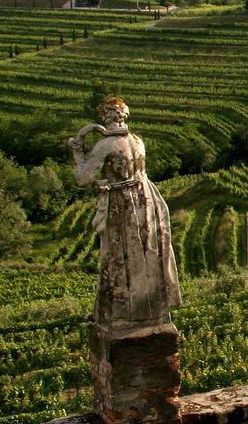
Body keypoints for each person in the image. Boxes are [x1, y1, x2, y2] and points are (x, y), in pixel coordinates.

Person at [66, 97, 181, 333]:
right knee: (147, 254)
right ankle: (152, 311)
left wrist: (77, 153)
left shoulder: (104, 146)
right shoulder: (137, 141)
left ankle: (120, 315)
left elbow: (82, 179)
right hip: (145, 198)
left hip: (123, 205)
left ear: (105, 117)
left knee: (120, 258)